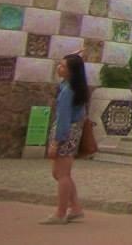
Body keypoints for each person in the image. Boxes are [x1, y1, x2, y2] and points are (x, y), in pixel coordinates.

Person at [41, 53, 88, 225]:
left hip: (66, 133)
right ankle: (75, 207)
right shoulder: (73, 86)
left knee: (62, 174)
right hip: (72, 131)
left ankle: (60, 213)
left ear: (70, 71)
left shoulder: (69, 91)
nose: (58, 68)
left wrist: (56, 141)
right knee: (60, 173)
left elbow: (63, 118)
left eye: (62, 66)